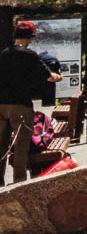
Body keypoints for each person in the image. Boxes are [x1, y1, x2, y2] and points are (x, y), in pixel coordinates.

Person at [0, 21, 63, 185]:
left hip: (1, 106)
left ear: (16, 35)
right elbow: (49, 76)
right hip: (21, 106)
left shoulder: (4, 54)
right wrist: (58, 76)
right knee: (21, 149)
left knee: (1, 148)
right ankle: (19, 186)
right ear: (31, 37)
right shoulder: (30, 55)